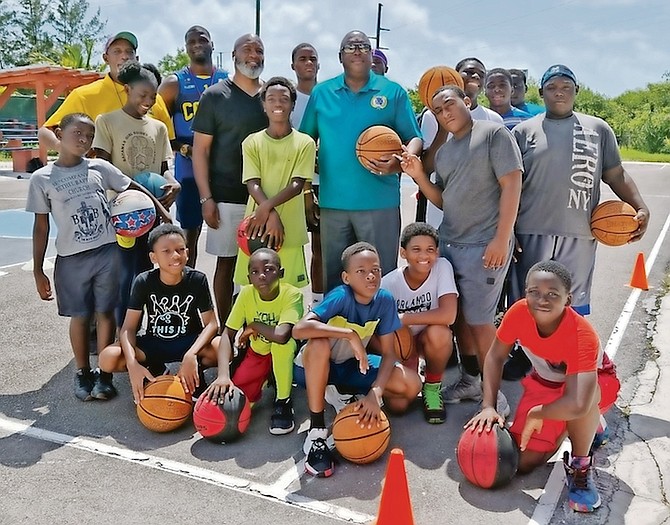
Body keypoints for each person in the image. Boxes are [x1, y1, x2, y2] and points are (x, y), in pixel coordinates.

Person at [503, 64, 650, 381]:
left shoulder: (597, 129)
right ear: (541, 92)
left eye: (566, 86)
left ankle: (569, 354)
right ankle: (523, 354)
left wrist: (639, 205)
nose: (559, 91)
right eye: (552, 86)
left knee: (572, 301)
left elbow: (615, 174)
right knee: (530, 298)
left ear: (576, 91)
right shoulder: (524, 132)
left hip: (580, 232)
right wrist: (507, 230)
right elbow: (509, 184)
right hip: (531, 229)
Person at [26, 113, 170, 401]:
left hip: (108, 252)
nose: (83, 140)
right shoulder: (42, 178)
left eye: (89, 136)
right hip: (72, 258)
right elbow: (40, 226)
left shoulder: (99, 167)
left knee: (105, 313)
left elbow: (132, 186)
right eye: (77, 133)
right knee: (80, 316)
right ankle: (83, 372)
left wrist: (160, 210)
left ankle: (104, 374)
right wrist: (38, 269)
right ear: (59, 133)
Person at [399, 85, 523, 416]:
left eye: (450, 104)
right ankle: (471, 380)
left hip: (485, 245)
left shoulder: (494, 134)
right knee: (462, 321)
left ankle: (494, 396)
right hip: (451, 243)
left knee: (481, 322)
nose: (445, 113)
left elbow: (512, 184)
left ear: (466, 102)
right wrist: (418, 176)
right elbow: (443, 199)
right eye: (438, 111)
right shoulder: (445, 152)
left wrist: (502, 238)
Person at [466, 261, 621, 513]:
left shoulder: (582, 334)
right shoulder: (518, 313)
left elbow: (578, 401)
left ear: (568, 300)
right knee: (521, 461)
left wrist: (538, 413)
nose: (542, 299)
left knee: (581, 407)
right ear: (525, 293)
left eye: (552, 294)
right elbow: (494, 357)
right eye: (534, 292)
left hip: (594, 384)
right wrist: (488, 406)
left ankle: (581, 467)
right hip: (548, 384)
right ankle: (591, 427)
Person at [300, 30, 422, 293]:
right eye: (350, 46)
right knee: (337, 277)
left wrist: (401, 161)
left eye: (363, 46)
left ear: (371, 55)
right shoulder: (322, 93)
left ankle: (380, 333)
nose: (357, 50)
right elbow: (304, 143)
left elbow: (414, 138)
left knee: (380, 277)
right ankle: (340, 333)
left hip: (380, 202)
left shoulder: (393, 92)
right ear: (340, 56)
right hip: (335, 203)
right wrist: (307, 190)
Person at [292, 242, 423, 478]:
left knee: (412, 384)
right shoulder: (340, 297)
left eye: (376, 269)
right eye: (361, 271)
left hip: (351, 367)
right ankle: (317, 430)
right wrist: (348, 334)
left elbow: (390, 353)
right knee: (320, 344)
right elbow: (299, 329)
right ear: (346, 277)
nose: (370, 275)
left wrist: (376, 393)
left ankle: (340, 391)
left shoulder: (384, 300)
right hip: (312, 368)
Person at [93, 60, 179, 326]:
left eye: (153, 96)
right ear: (127, 89)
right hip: (122, 217)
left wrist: (173, 183)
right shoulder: (106, 121)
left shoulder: (159, 127)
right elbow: (102, 168)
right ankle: (124, 334)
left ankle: (151, 331)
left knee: (148, 273)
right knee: (124, 276)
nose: (149, 101)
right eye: (143, 95)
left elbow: (165, 169)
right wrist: (139, 198)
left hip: (150, 214)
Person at [192, 33, 268, 328]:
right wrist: (206, 197)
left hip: (263, 200)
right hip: (224, 196)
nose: (253, 54)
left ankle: (259, 330)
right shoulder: (214, 96)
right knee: (225, 265)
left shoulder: (271, 95)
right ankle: (226, 331)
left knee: (263, 266)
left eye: (259, 50)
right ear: (234, 55)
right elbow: (200, 151)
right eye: (247, 49)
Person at [98, 224, 220, 403]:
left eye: (180, 249)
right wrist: (132, 364)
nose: (175, 256)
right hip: (154, 344)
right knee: (107, 358)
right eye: (167, 251)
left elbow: (212, 323)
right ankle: (155, 369)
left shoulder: (197, 279)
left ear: (187, 251)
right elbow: (128, 328)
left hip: (188, 342)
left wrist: (191, 354)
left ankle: (194, 371)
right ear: (153, 257)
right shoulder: (144, 281)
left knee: (221, 348)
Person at [205, 248, 304, 435]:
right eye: (255, 272)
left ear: (281, 273)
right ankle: (267, 377)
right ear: (249, 278)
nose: (262, 276)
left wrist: (255, 325)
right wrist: (223, 375)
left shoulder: (292, 295)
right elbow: (227, 335)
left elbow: (282, 335)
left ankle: (283, 402)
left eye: (269, 269)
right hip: (258, 351)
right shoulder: (246, 294)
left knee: (280, 346)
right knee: (235, 399)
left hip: (287, 352)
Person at [233, 76, 316, 289]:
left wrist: (267, 209)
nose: (277, 103)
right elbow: (252, 183)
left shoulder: (305, 142)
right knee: (254, 292)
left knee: (289, 293)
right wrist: (269, 215)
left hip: (290, 229)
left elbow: (297, 185)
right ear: (263, 104)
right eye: (271, 99)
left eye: (284, 99)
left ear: (293, 104)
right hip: (256, 228)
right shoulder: (251, 142)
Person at [158, 26, 228, 268]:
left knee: (229, 235)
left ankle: (231, 296)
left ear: (212, 44)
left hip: (223, 168)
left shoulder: (228, 80)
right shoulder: (172, 84)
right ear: (186, 47)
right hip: (188, 169)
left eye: (202, 39)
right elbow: (157, 126)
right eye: (191, 41)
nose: (197, 44)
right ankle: (186, 286)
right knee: (189, 237)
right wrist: (181, 148)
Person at [39, 31, 174, 152]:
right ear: (105, 58)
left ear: (137, 59)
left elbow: (169, 141)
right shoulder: (84, 95)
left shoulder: (154, 99)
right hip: (102, 177)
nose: (124, 56)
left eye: (129, 52)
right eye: (117, 51)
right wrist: (65, 149)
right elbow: (45, 132)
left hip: (147, 176)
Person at [380, 222, 458, 424]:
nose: (424, 256)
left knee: (441, 333)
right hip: (400, 346)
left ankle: (432, 387)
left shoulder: (442, 267)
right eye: (416, 249)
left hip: (426, 340)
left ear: (437, 252)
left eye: (430, 250)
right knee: (398, 407)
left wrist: (405, 318)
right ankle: (408, 375)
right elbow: (377, 330)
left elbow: (449, 315)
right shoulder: (388, 284)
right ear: (403, 253)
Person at [419, 57, 503, 227]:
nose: (476, 76)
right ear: (455, 76)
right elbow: (427, 167)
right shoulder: (431, 115)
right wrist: (443, 127)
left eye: (481, 74)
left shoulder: (494, 119)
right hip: (440, 211)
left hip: (482, 214)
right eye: (469, 71)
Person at [290, 42, 323, 304]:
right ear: (293, 65)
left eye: (312, 58)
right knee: (289, 248)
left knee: (321, 248)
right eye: (302, 58)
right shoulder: (286, 98)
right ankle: (286, 305)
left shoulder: (327, 96)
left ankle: (318, 303)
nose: (308, 62)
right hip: (293, 184)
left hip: (325, 183)